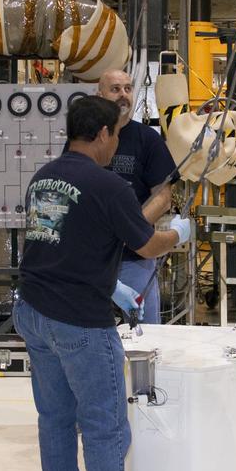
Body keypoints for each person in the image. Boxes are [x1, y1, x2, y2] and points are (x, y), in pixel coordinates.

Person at [14, 95, 192, 471]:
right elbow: (147, 245)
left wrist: (106, 280)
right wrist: (179, 234)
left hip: (32, 310)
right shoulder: (108, 185)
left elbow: (61, 240)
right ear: (100, 134)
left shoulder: (42, 178)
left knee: (54, 417)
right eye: (114, 133)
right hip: (78, 321)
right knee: (105, 420)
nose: (117, 143)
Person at [97, 69, 178, 323]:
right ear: (100, 95)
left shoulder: (148, 140)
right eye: (115, 89)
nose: (123, 95)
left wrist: (128, 230)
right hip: (92, 258)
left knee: (145, 332)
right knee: (90, 330)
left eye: (128, 88)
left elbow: (163, 197)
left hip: (135, 257)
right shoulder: (86, 139)